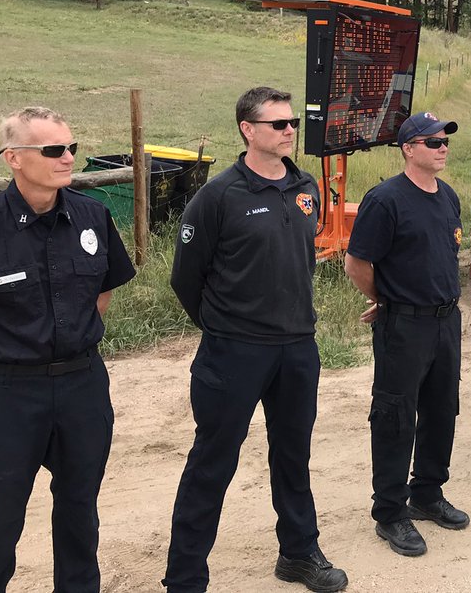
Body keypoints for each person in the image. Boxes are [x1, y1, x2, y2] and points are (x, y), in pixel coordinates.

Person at [0, 106, 136, 592]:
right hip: (6, 398)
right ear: (13, 157)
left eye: (72, 147)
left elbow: (102, 291)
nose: (68, 158)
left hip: (83, 388)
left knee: (81, 517)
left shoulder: (92, 217)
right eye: (54, 149)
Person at [163, 87, 346, 593]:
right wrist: (224, 326)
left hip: (297, 348)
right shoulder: (218, 196)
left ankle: (299, 554)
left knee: (293, 454)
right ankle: (184, 577)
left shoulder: (304, 185)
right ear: (248, 130)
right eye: (279, 124)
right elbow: (186, 277)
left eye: (291, 124)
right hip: (235, 350)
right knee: (213, 460)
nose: (290, 131)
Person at [344, 112, 468, 558]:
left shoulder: (448, 196)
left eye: (445, 142)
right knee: (396, 416)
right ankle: (391, 512)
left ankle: (427, 494)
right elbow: (357, 264)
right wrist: (388, 298)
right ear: (408, 149)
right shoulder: (385, 200)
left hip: (445, 321)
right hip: (405, 325)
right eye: (432, 142)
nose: (442, 148)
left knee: (441, 408)